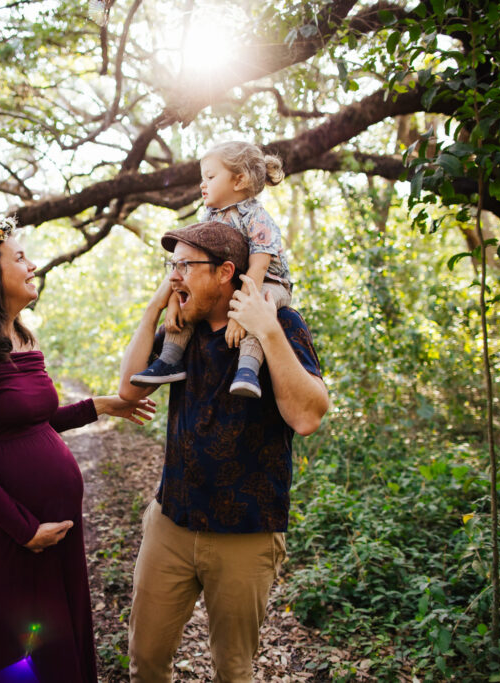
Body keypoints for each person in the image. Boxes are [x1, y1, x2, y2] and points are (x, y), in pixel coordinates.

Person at [0, 218, 155, 683]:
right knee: (1, 657)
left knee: (49, 650)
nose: (33, 265)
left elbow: (28, 423)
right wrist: (24, 528)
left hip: (47, 536)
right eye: (20, 258)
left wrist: (99, 406)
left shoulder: (23, 338)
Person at [118, 221, 329, 683]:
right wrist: (155, 307)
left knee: (233, 671)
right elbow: (128, 392)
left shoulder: (282, 323)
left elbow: (308, 417)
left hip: (246, 534)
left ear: (224, 272)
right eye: (171, 265)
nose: (175, 276)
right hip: (171, 523)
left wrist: (266, 330)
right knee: (146, 660)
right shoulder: (183, 326)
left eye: (185, 266)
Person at [130, 141, 292, 399]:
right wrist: (174, 301)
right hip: (234, 281)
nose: (202, 184)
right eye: (202, 178)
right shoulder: (210, 217)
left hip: (266, 282)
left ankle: (248, 368)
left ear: (238, 181)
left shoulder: (257, 218)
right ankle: (170, 359)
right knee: (193, 298)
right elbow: (185, 267)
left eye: (210, 177)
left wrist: (240, 316)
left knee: (259, 306)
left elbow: (258, 268)